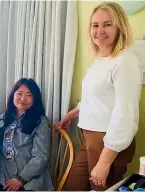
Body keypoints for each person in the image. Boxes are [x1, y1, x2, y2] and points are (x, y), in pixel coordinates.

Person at [58, 2, 143, 191]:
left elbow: (125, 114)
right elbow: (95, 99)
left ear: (119, 26)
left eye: (107, 24)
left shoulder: (125, 62)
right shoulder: (99, 59)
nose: (100, 30)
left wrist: (105, 161)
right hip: (88, 137)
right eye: (95, 25)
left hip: (108, 141)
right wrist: (72, 114)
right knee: (72, 186)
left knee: (102, 189)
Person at [0, 78, 53, 191]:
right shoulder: (4, 118)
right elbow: (1, 146)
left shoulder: (40, 121)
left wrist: (21, 179)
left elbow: (40, 157)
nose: (23, 99)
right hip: (4, 176)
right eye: (19, 93)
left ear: (35, 99)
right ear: (12, 95)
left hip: (31, 180)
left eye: (29, 95)